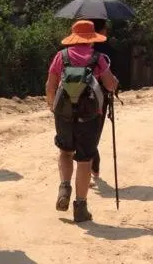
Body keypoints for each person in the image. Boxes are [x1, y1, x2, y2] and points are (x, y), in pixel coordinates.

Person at [46, 20, 119, 223]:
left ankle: (64, 187)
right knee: (85, 160)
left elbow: (50, 85)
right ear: (92, 39)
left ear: (73, 38)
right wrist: (114, 81)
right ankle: (80, 207)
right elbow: (110, 85)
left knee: (65, 152)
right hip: (90, 115)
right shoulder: (98, 58)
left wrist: (52, 106)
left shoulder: (61, 56)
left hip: (64, 113)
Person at [89, 19, 111, 181]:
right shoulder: (106, 51)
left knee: (82, 134)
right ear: (100, 30)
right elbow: (111, 81)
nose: (107, 32)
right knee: (94, 134)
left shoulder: (68, 52)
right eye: (105, 28)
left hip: (73, 97)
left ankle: (91, 167)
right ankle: (93, 168)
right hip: (99, 97)